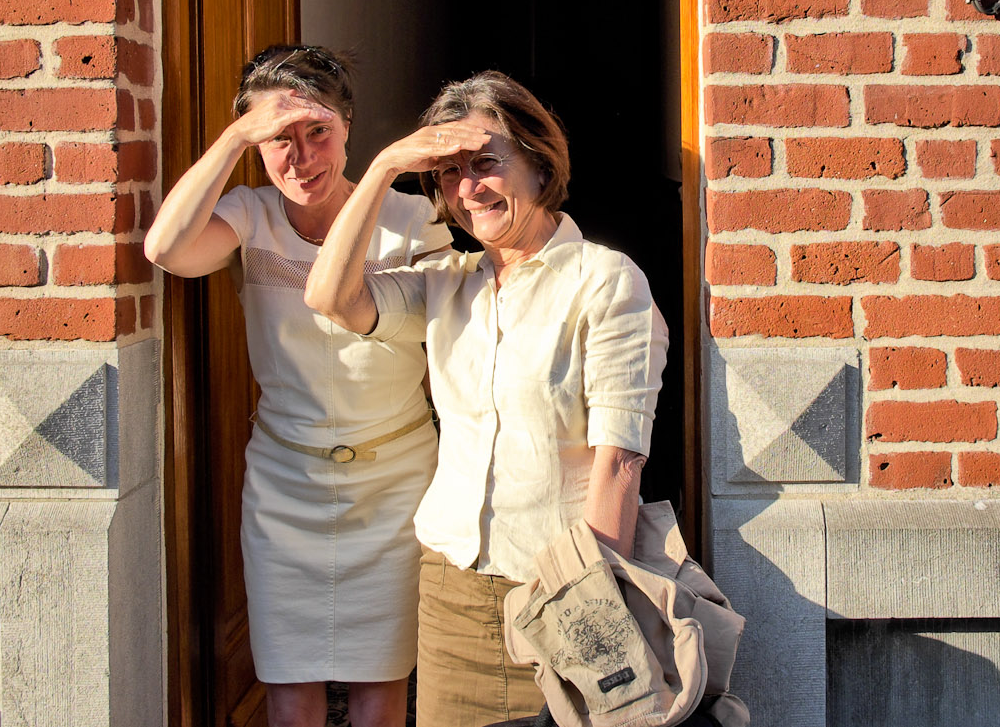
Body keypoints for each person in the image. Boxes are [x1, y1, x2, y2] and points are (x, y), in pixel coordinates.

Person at [305, 71, 669, 727]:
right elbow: (329, 296)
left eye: (486, 164)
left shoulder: (606, 281)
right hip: (453, 595)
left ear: (536, 161)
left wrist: (588, 624)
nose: (468, 188)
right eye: (449, 172)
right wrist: (387, 163)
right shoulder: (447, 285)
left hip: (562, 591)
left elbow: (618, 464)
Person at [143, 45, 450, 727]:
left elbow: (433, 325)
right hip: (285, 482)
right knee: (289, 689)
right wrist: (233, 137)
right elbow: (167, 250)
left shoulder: (409, 222)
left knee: (380, 687)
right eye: (278, 140)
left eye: (318, 133)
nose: (301, 157)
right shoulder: (250, 215)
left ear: (347, 129)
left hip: (395, 479)